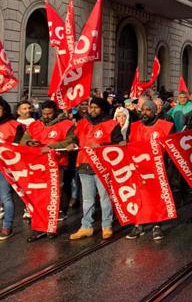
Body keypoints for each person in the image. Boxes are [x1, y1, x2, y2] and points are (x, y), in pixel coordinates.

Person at [69, 98, 122, 241]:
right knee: (87, 200)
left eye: (96, 107)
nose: (92, 110)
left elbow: (119, 144)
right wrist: (72, 145)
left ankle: (107, 225)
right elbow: (75, 139)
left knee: (105, 198)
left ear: (102, 109)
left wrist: (103, 145)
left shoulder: (112, 124)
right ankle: (86, 227)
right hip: (84, 164)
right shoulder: (82, 123)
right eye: (91, 107)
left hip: (102, 166)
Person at [21, 99, 76, 229]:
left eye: (49, 114)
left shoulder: (67, 124)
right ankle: (39, 210)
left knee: (56, 187)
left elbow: (71, 140)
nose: (46, 116)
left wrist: (50, 146)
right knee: (38, 187)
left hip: (57, 161)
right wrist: (30, 143)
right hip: (38, 162)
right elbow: (23, 141)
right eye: (44, 114)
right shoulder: (35, 125)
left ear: (55, 112)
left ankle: (60, 210)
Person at [126, 99, 175, 241]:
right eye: (143, 110)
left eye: (148, 110)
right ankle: (139, 224)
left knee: (157, 197)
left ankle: (157, 225)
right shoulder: (134, 126)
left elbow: (172, 146)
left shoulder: (165, 126)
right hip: (139, 169)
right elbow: (129, 145)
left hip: (158, 168)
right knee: (139, 197)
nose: (145, 113)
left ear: (155, 112)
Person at [0, 97, 24, 240]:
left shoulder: (14, 125)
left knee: (6, 197)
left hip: (5, 167)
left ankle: (7, 226)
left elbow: (18, 147)